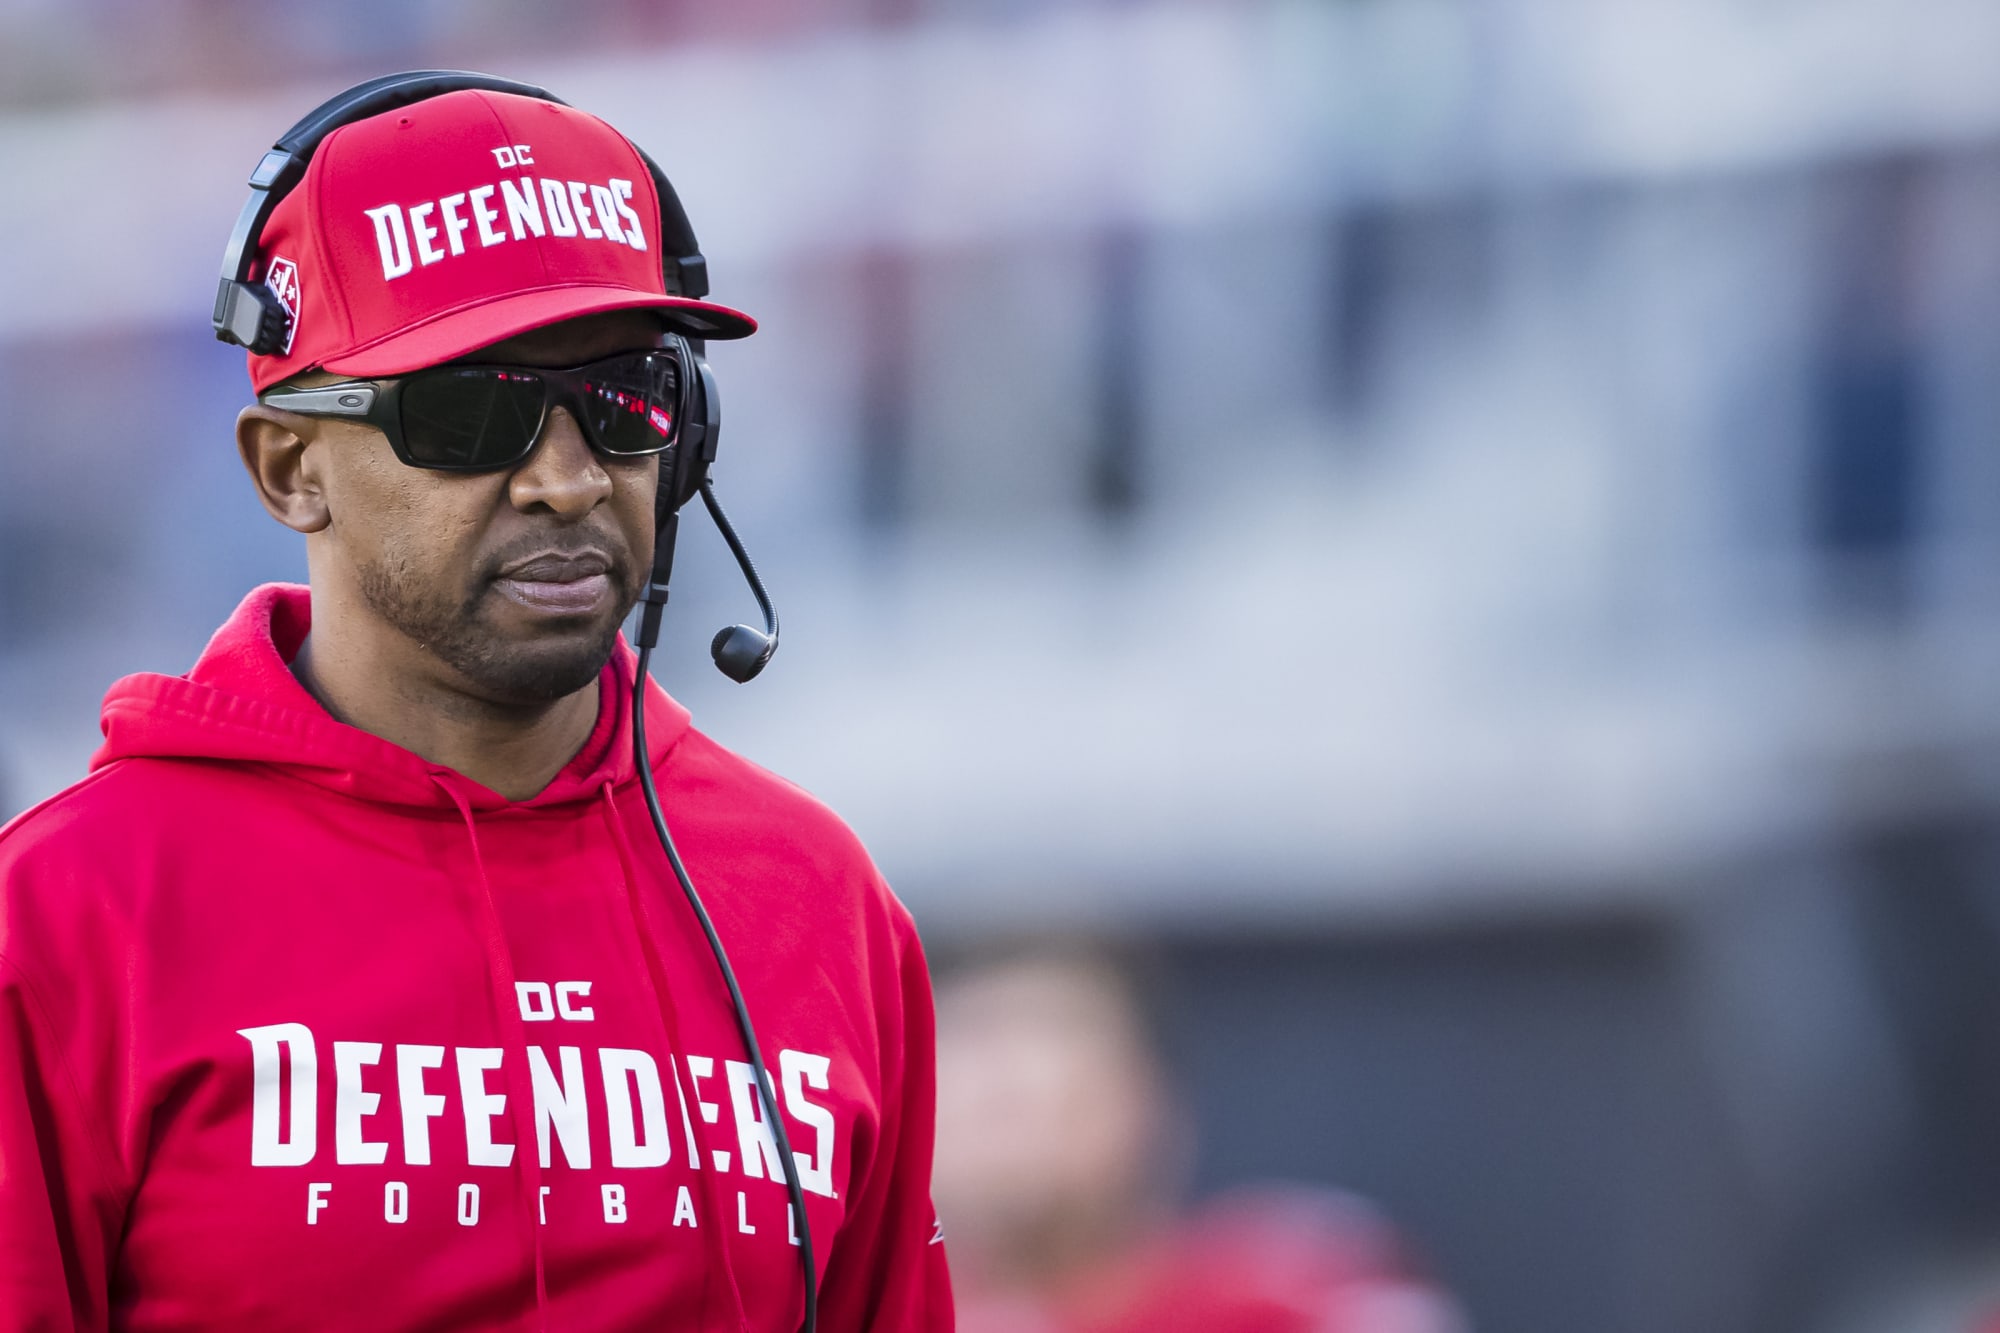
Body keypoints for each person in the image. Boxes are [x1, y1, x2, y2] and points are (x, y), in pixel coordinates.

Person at [0, 77, 951, 1331]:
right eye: (470, 411)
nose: (567, 480)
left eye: (623, 398)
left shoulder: (819, 899)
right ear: (290, 470)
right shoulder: (68, 916)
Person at [932, 940, 1460, 1333]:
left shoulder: (1302, 1286)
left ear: (1151, 1103)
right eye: (985, 1103)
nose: (1003, 1082)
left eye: (1050, 1043)